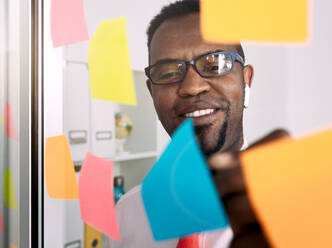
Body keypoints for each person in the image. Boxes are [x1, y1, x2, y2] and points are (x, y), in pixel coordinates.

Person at [107, 0, 288, 247]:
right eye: (168, 72)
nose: (192, 87)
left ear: (246, 79)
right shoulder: (126, 214)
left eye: (215, 64)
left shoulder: (302, 208)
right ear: (152, 92)